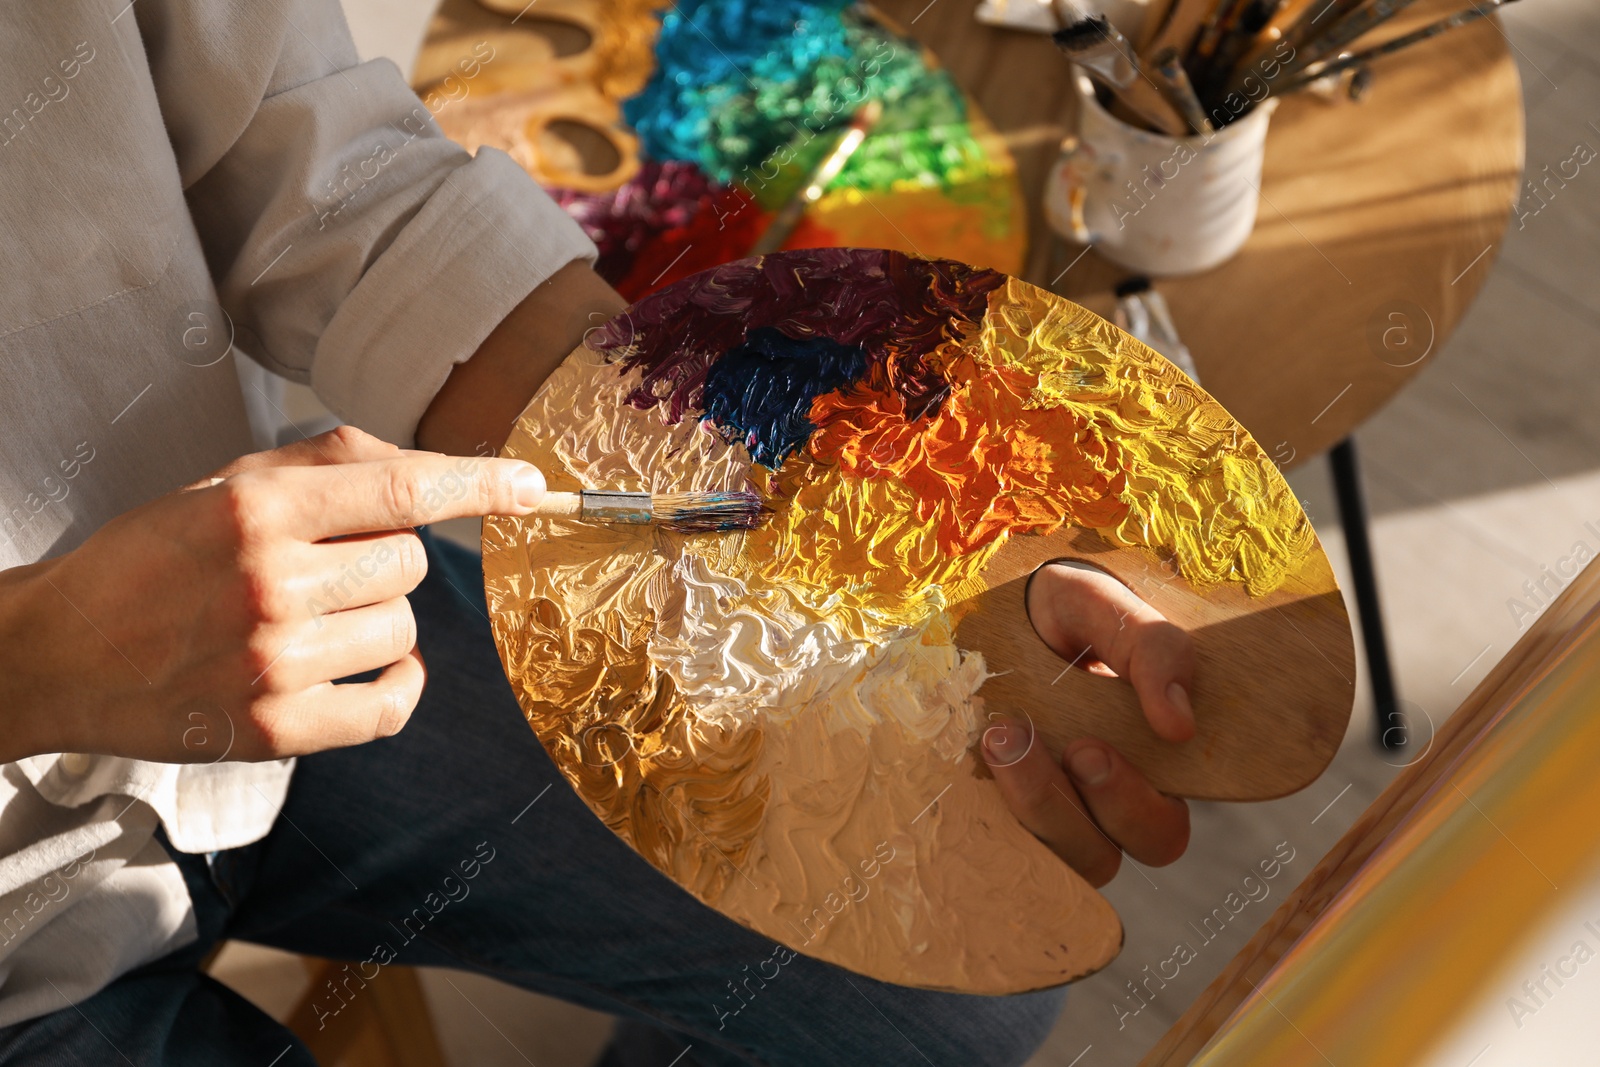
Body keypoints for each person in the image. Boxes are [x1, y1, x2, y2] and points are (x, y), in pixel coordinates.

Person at [0, 2, 1194, 1063]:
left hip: (286, 659)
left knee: (959, 947)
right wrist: (42, 657)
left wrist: (853, 551)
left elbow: (321, 173)